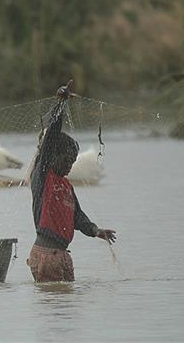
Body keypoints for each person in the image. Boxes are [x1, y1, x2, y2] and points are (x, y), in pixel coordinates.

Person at [27, 80, 116, 282]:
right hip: (46, 255)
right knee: (58, 310)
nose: (70, 165)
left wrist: (95, 230)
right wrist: (61, 104)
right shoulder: (42, 175)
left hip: (63, 255)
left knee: (69, 308)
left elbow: (77, 216)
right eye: (67, 160)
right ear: (53, 156)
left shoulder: (66, 185)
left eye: (73, 161)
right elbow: (50, 138)